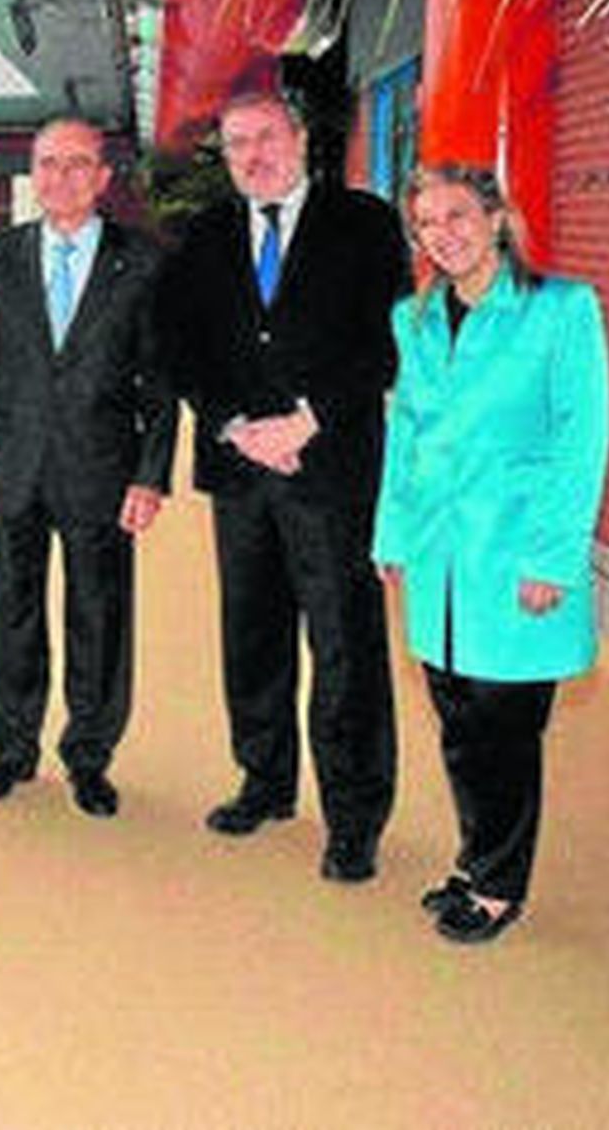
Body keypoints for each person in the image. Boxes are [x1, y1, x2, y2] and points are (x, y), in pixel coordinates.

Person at [154, 87, 408, 880]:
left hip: (329, 467)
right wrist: (234, 425)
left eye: (266, 137)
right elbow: (179, 347)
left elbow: (385, 342)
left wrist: (308, 421)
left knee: (344, 643)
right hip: (240, 472)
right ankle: (265, 782)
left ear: (299, 138)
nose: (254, 155)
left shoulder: (364, 222)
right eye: (237, 144)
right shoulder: (203, 235)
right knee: (252, 635)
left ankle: (354, 818)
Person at [374, 164, 609, 944]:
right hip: (438, 555)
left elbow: (581, 441)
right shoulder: (413, 319)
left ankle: (500, 886)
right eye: (426, 224)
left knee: (503, 731)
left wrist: (554, 558)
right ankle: (478, 864)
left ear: (498, 217)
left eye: (457, 215)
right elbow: (405, 433)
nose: (443, 234)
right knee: (458, 723)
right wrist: (391, 533)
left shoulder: (562, 310)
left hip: (515, 555)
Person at [0, 117, 175, 818]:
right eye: (48, 163)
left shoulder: (142, 261)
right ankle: (11, 748)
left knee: (98, 617)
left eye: (78, 164)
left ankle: (89, 755)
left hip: (100, 470)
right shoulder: (0, 256)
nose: (61, 177)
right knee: (9, 613)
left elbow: (160, 383)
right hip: (9, 465)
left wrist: (150, 473)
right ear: (32, 172)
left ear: (104, 178)